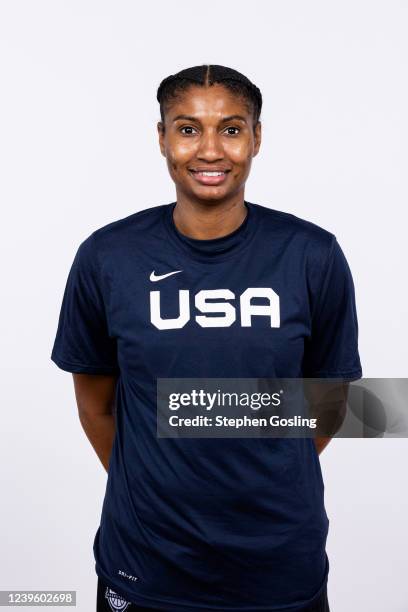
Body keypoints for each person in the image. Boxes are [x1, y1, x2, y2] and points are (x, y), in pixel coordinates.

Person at [50, 64, 362, 612]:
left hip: (279, 564)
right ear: (162, 137)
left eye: (232, 129)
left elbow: (330, 403)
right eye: (188, 129)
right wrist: (156, 486)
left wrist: (262, 461)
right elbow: (94, 407)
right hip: (146, 563)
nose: (210, 150)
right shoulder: (108, 257)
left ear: (257, 138)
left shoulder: (312, 255)